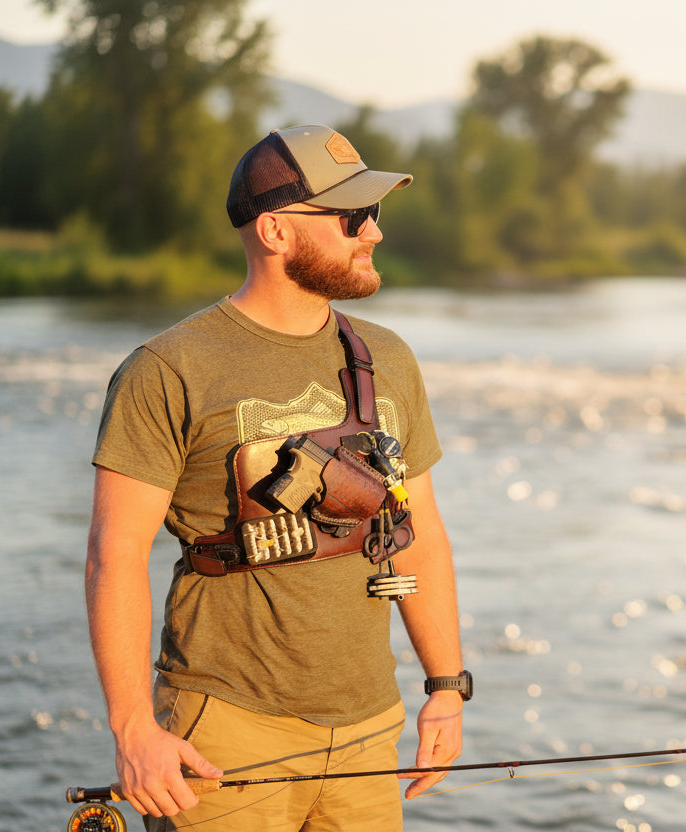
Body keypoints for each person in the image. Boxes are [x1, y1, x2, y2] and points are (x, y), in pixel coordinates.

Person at [86, 124, 467, 832]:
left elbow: (420, 537)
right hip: (223, 735)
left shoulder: (391, 360)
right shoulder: (168, 369)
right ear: (275, 231)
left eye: (374, 214)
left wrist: (445, 686)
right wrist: (133, 728)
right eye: (352, 217)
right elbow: (114, 555)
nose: (373, 234)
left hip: (368, 733)